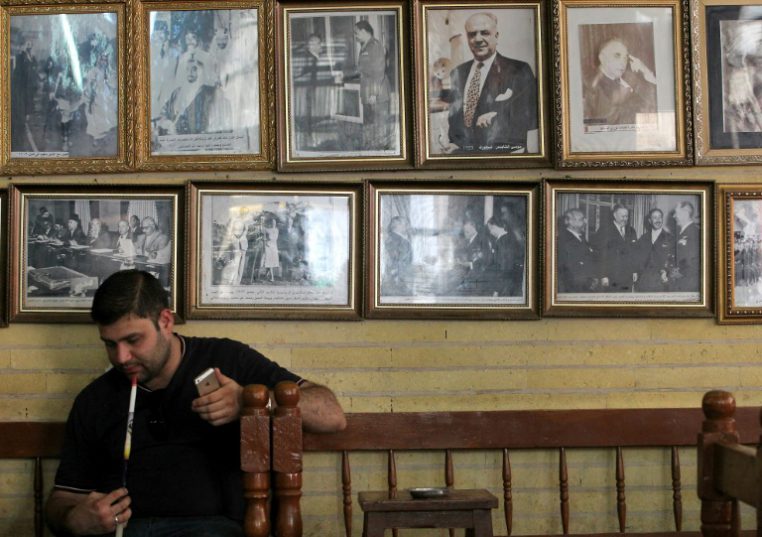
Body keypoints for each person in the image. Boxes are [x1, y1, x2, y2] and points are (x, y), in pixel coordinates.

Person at [45, 270, 346, 536]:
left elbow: (332, 415)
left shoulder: (227, 360)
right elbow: (62, 500)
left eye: (133, 340)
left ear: (165, 321)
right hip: (126, 529)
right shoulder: (94, 399)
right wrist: (76, 519)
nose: (121, 358)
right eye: (110, 344)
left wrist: (248, 400)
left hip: (216, 527)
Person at [444, 12, 538, 154]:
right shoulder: (457, 73)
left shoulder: (519, 70)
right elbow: (455, 117)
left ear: (496, 36)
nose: (478, 39)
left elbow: (530, 118)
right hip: (463, 157)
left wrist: (498, 116)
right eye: (472, 34)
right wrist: (454, 144)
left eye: (485, 33)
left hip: (504, 158)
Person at [583, 38, 657, 127]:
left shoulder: (629, 78)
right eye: (617, 56)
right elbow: (593, 123)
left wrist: (645, 71)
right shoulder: (590, 85)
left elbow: (656, 97)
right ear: (602, 58)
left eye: (625, 58)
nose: (623, 62)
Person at [341, 21, 392, 150]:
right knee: (370, 126)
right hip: (368, 93)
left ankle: (381, 154)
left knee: (380, 126)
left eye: (356, 32)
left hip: (377, 94)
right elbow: (360, 69)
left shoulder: (375, 46)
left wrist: (374, 93)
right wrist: (343, 75)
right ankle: (372, 151)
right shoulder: (365, 47)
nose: (355, 36)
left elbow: (379, 71)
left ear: (364, 31)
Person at [157, 57, 223, 135]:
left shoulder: (208, 93)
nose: (190, 72)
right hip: (177, 138)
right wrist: (168, 124)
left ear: (201, 71)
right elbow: (163, 114)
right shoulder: (177, 93)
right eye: (187, 69)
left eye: (194, 69)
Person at [590, 204, 638, 292]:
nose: (625, 219)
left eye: (626, 216)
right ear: (615, 215)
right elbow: (599, 254)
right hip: (611, 276)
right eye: (622, 216)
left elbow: (634, 253)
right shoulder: (604, 230)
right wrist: (603, 275)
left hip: (627, 276)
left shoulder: (631, 231)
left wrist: (634, 271)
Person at [557, 208, 598, 293]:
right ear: (571, 222)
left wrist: (593, 277)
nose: (586, 222)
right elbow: (567, 268)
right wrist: (588, 281)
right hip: (573, 287)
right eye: (582, 219)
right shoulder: (563, 240)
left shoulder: (581, 237)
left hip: (585, 285)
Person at [635, 208, 674, 292]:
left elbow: (673, 260)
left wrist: (666, 272)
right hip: (644, 283)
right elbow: (637, 258)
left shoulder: (670, 238)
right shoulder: (643, 238)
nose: (658, 220)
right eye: (655, 217)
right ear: (650, 220)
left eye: (660, 217)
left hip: (661, 283)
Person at [484, 216, 524, 297]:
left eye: (490, 229)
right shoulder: (511, 238)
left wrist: (497, 289)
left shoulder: (501, 242)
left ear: (493, 226)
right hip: (513, 282)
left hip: (505, 286)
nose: (490, 232)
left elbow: (504, 267)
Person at [453, 218, 493, 294]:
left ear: (474, 227)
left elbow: (486, 259)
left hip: (478, 279)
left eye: (467, 230)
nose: (465, 232)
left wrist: (469, 264)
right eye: (465, 229)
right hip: (470, 276)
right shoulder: (470, 240)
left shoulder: (482, 240)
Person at [11, 39, 37, 149]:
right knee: (21, 115)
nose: (29, 46)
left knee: (27, 112)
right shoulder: (20, 57)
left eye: (30, 44)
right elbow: (18, 75)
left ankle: (23, 134)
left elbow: (34, 69)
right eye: (27, 44)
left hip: (28, 89)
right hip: (21, 89)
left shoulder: (31, 58)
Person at [671, 201, 701, 292]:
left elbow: (696, 260)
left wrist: (681, 273)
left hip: (689, 283)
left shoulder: (695, 232)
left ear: (685, 213)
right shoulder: (680, 233)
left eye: (676, 213)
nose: (674, 216)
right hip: (680, 282)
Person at [382, 216, 412, 296]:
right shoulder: (398, 241)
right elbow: (399, 261)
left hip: (394, 278)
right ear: (397, 225)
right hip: (397, 279)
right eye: (404, 224)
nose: (406, 226)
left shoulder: (390, 239)